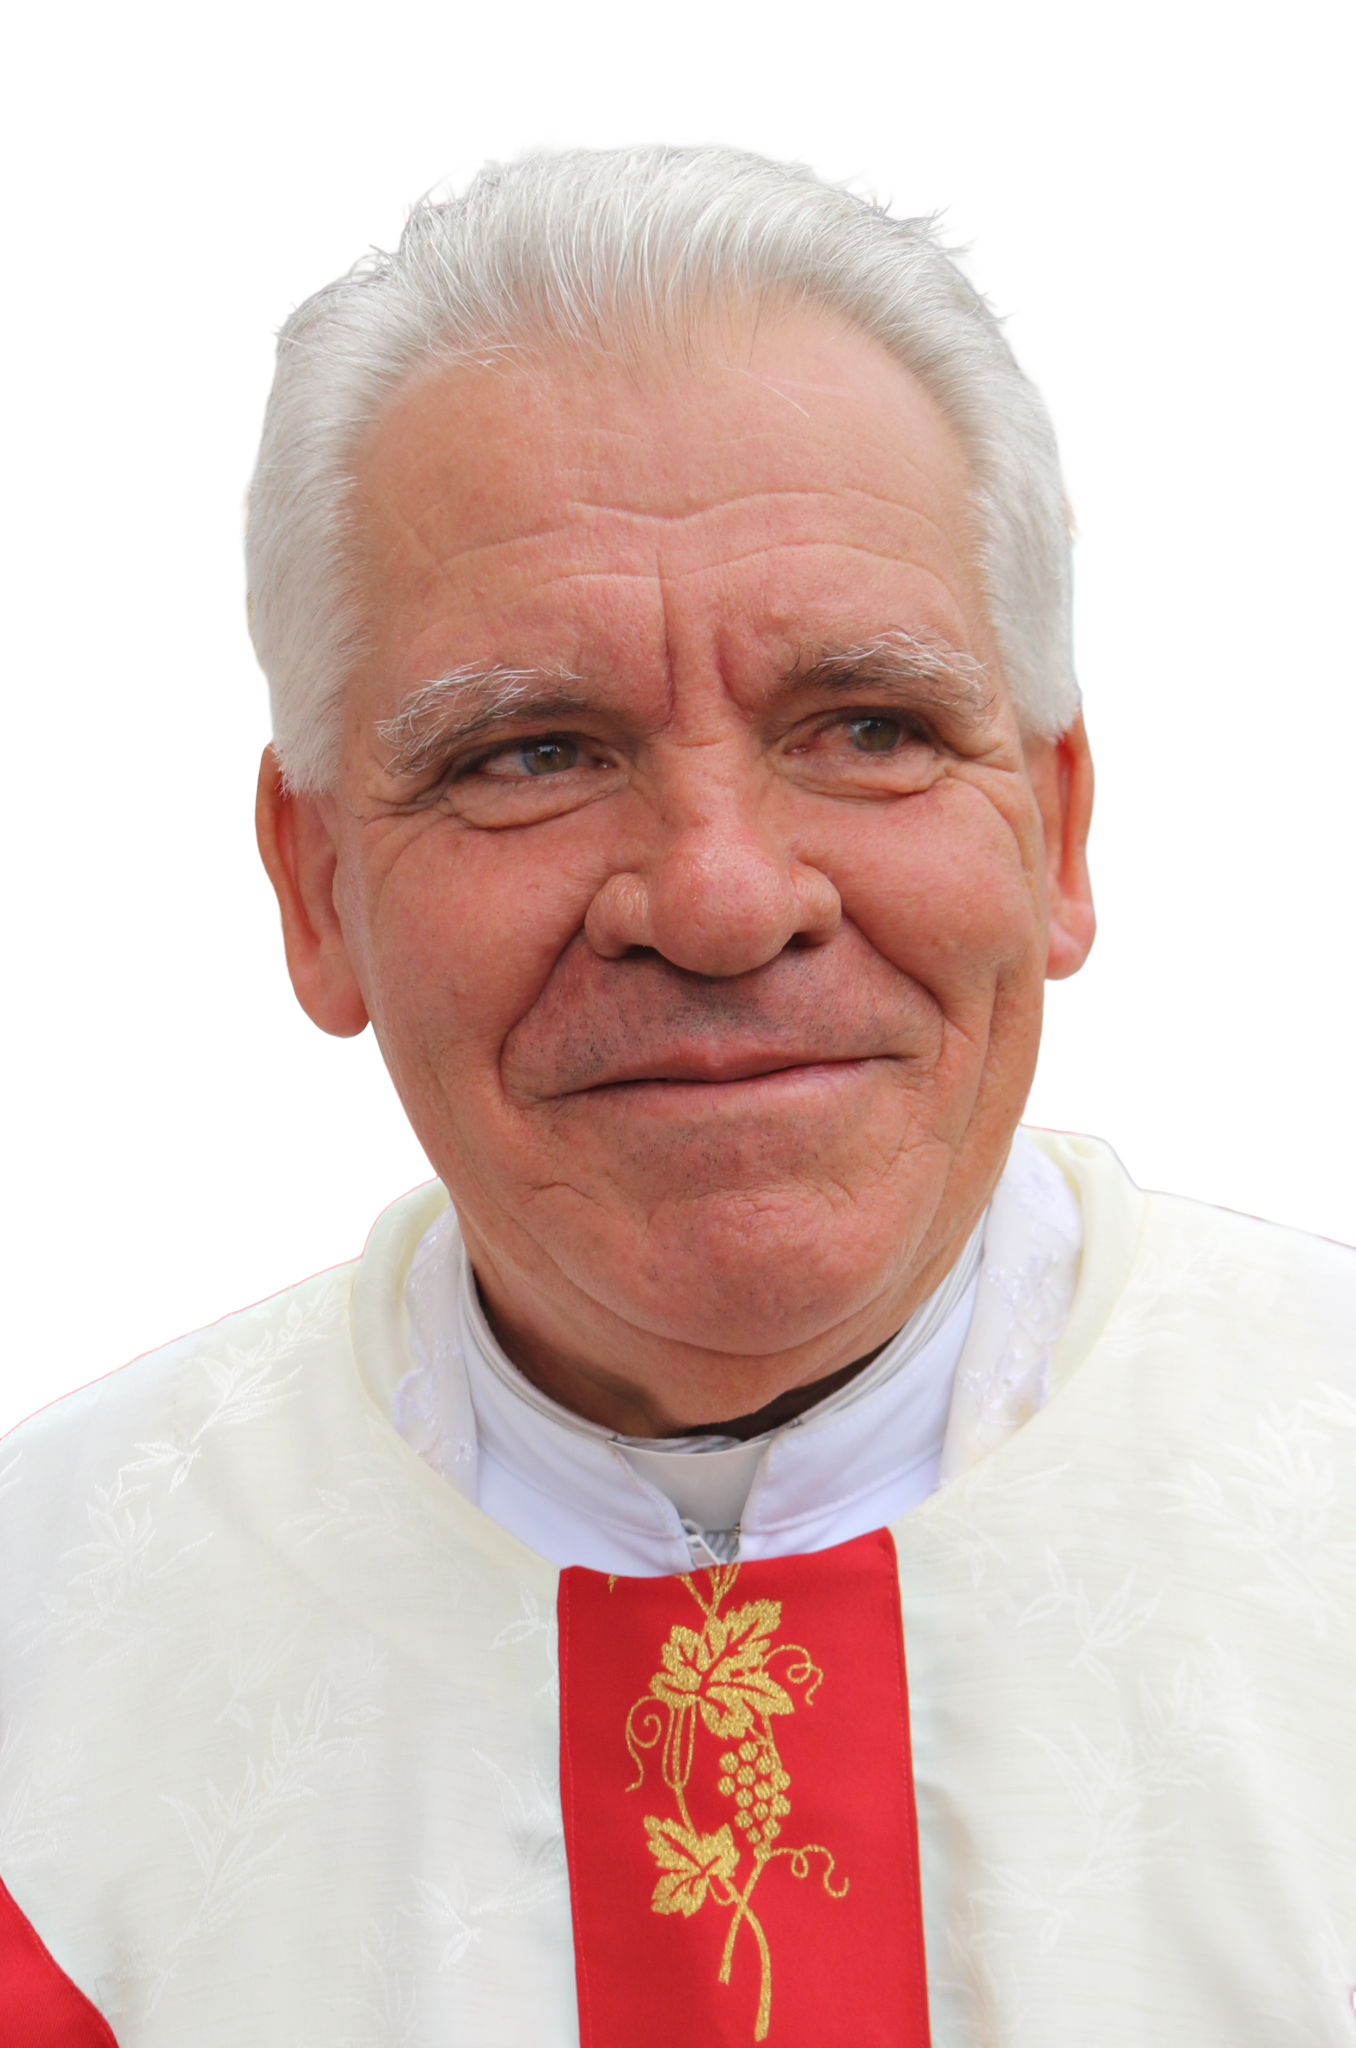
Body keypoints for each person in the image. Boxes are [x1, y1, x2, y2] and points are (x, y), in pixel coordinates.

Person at [1, 129, 1350, 2048]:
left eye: (869, 725)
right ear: (314, 888)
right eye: (532, 753)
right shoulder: (34, 1656)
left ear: (1057, 830)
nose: (720, 900)